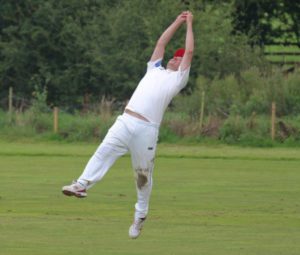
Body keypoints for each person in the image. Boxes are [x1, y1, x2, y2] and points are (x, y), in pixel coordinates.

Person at [62, 11, 194, 239]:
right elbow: (161, 42)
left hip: (147, 129)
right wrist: (177, 22)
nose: (176, 58)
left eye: (180, 58)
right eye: (175, 56)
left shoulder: (178, 79)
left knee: (142, 176)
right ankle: (81, 184)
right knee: (103, 151)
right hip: (126, 119)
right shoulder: (154, 69)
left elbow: (190, 50)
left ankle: (140, 215)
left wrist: (190, 24)